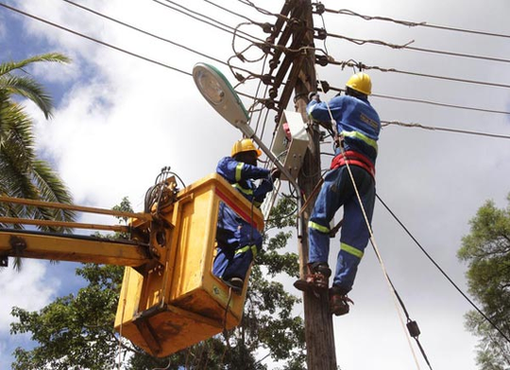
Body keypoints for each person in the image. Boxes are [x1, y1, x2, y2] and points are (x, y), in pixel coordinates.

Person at [294, 72, 381, 316]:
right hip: (367, 179)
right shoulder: (375, 117)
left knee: (319, 218)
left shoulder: (345, 102)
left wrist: (312, 98)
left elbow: (316, 112)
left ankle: (319, 273)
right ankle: (339, 293)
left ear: (349, 89)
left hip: (346, 166)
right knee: (355, 239)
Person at [213, 138, 278, 293]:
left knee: (229, 252)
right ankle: (232, 275)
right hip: (225, 215)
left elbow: (253, 204)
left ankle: (217, 284)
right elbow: (242, 170)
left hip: (237, 221)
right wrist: (266, 172)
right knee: (251, 238)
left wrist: (269, 182)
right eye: (251, 156)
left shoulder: (249, 185)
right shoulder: (226, 164)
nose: (254, 162)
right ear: (240, 155)